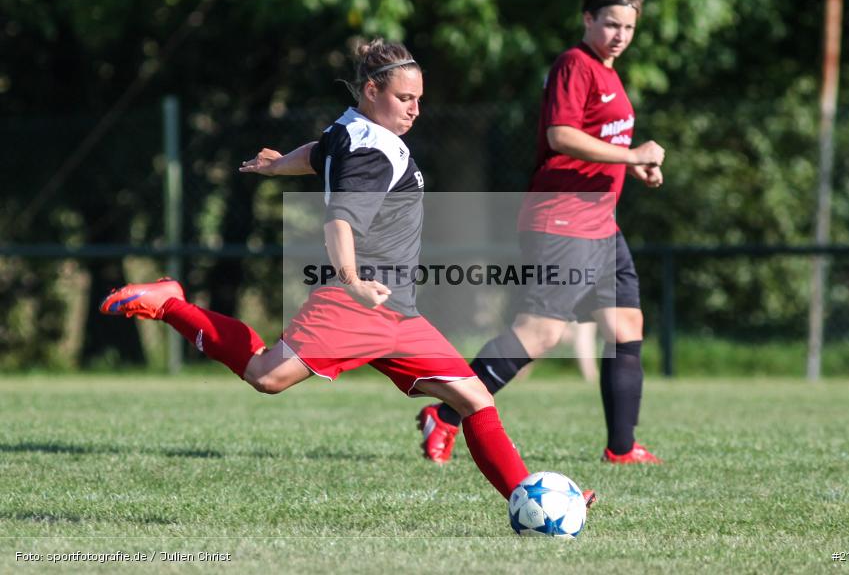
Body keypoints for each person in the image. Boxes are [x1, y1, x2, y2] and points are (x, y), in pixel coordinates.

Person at [100, 39, 594, 507]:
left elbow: (318, 154)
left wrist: (277, 167)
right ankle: (170, 303)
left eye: (419, 99)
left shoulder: (354, 130)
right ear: (373, 90)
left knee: (476, 399)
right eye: (405, 98)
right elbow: (341, 220)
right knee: (267, 375)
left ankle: (533, 499)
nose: (415, 109)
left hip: (396, 311)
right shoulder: (372, 149)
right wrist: (353, 281)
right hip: (360, 302)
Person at [417, 0, 664, 465]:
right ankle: (443, 416)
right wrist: (630, 154)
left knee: (625, 325)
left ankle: (621, 447)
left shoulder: (610, 75)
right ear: (588, 19)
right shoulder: (576, 64)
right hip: (562, 220)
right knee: (541, 334)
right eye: (610, 22)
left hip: (601, 223)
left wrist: (634, 164)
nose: (620, 34)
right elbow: (560, 134)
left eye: (629, 26)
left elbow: (601, 148)